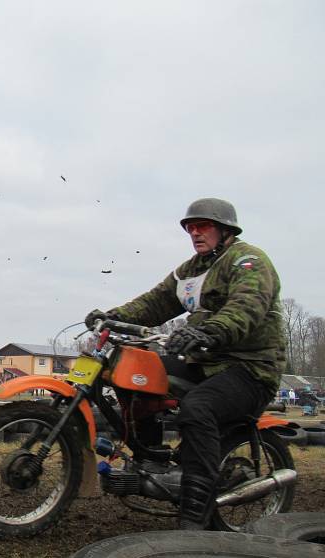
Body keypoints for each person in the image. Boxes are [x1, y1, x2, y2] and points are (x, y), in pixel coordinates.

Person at [84, 197, 284, 530]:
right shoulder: (191, 270)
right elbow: (157, 301)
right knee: (136, 375)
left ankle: (194, 515)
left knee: (198, 409)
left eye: (202, 226)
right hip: (204, 362)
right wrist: (112, 316)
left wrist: (207, 332)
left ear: (225, 230)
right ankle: (152, 461)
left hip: (250, 368)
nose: (195, 233)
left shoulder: (248, 261)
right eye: (191, 227)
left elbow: (246, 308)